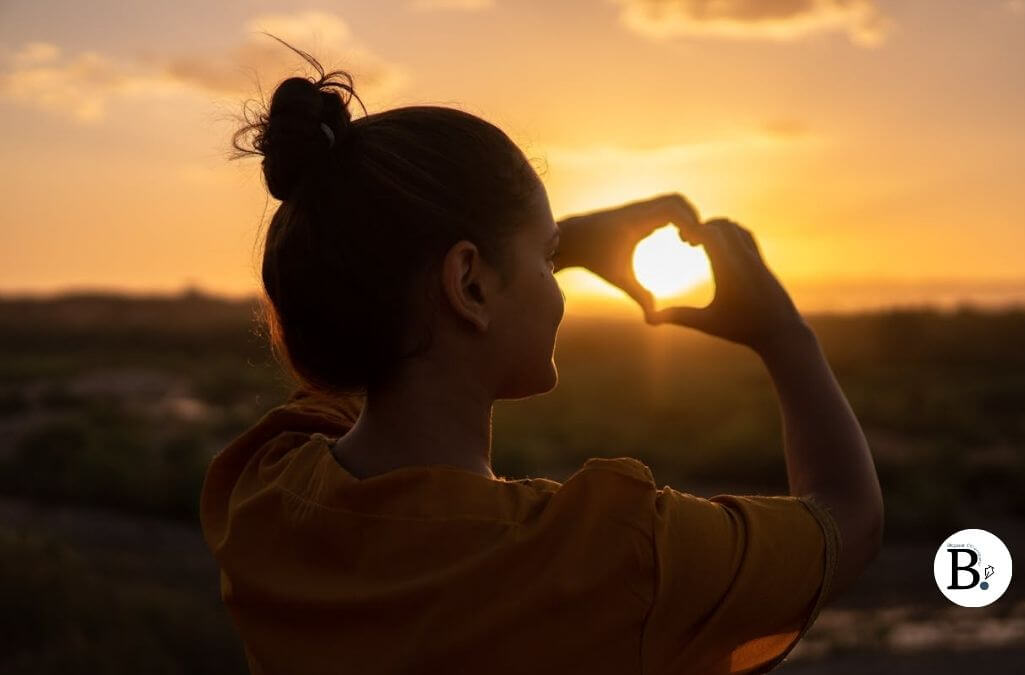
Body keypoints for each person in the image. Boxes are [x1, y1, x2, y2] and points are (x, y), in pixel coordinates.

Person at [200, 36, 884, 675]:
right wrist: (785, 334)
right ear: (468, 283)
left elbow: (378, 331)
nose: (557, 286)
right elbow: (847, 518)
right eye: (547, 257)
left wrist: (535, 247)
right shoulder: (610, 553)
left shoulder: (263, 491)